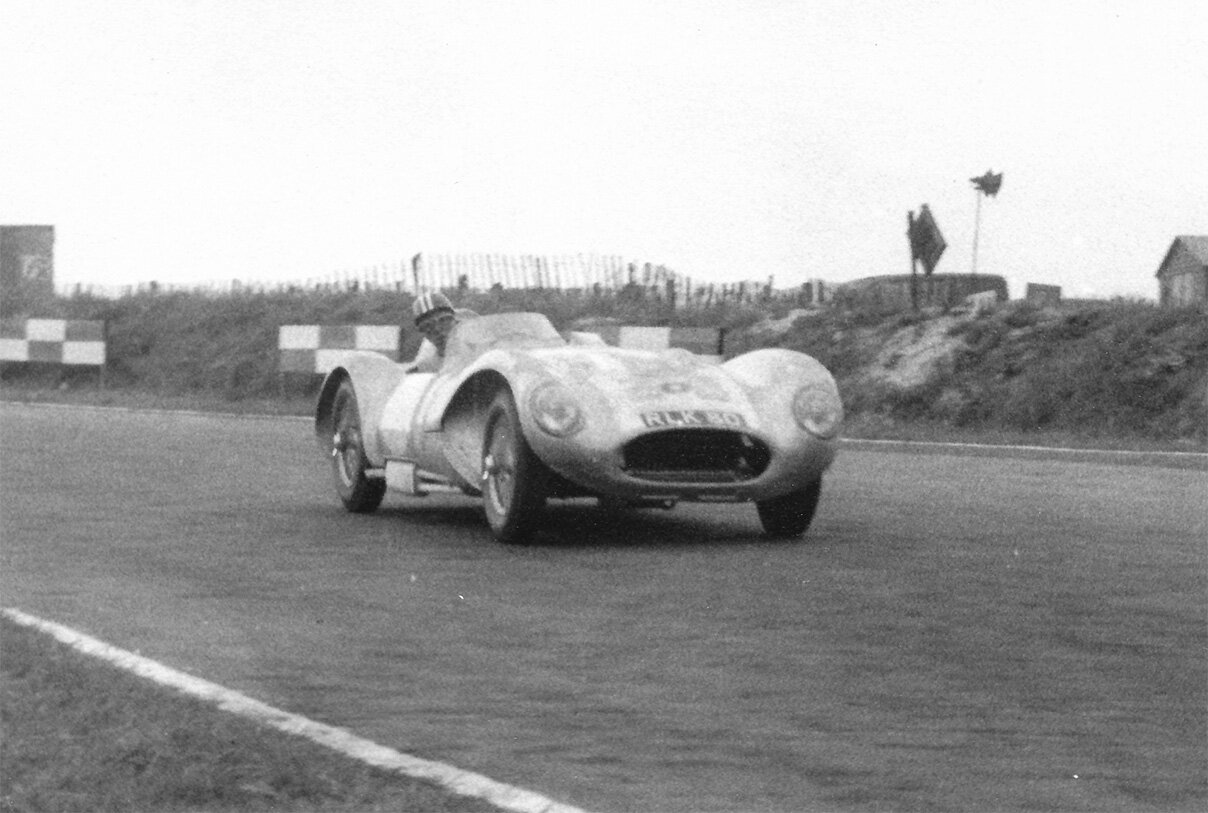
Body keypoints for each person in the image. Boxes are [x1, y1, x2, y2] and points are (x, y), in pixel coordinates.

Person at [406, 292, 474, 373]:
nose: (438, 330)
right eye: (428, 326)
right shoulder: (425, 367)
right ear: (424, 335)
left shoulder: (478, 347)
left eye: (444, 321)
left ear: (455, 321)